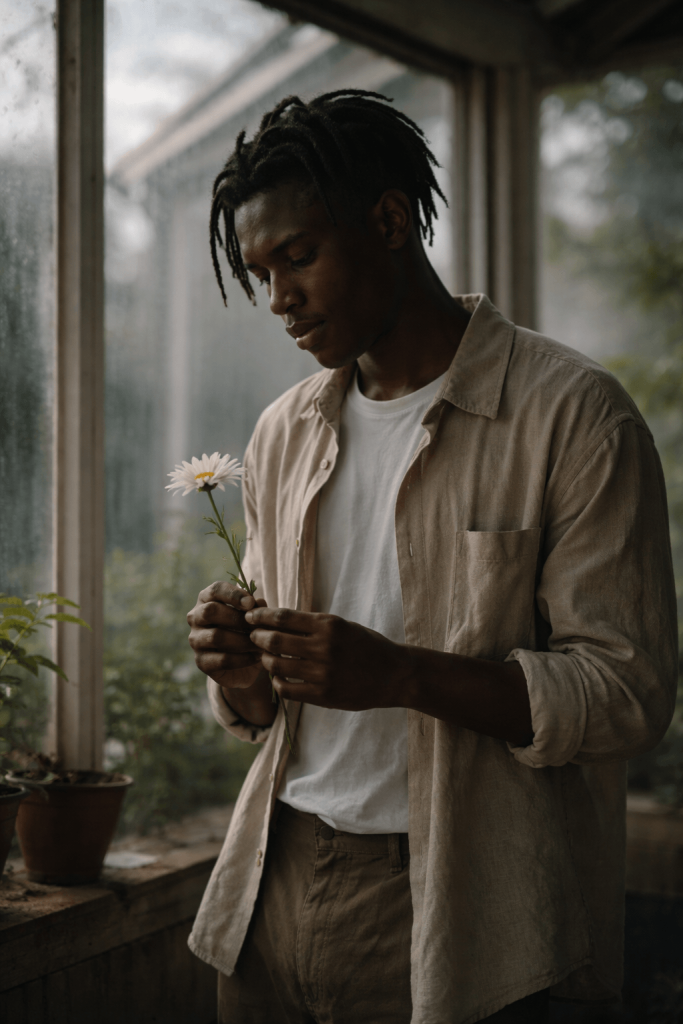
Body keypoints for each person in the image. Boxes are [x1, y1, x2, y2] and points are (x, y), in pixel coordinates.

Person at [185, 90, 677, 1024]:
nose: (280, 299)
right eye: (260, 274)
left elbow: (627, 692)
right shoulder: (285, 432)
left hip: (464, 903)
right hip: (271, 879)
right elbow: (264, 713)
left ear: (388, 220)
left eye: (299, 256)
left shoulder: (573, 415)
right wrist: (240, 673)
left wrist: (403, 674)